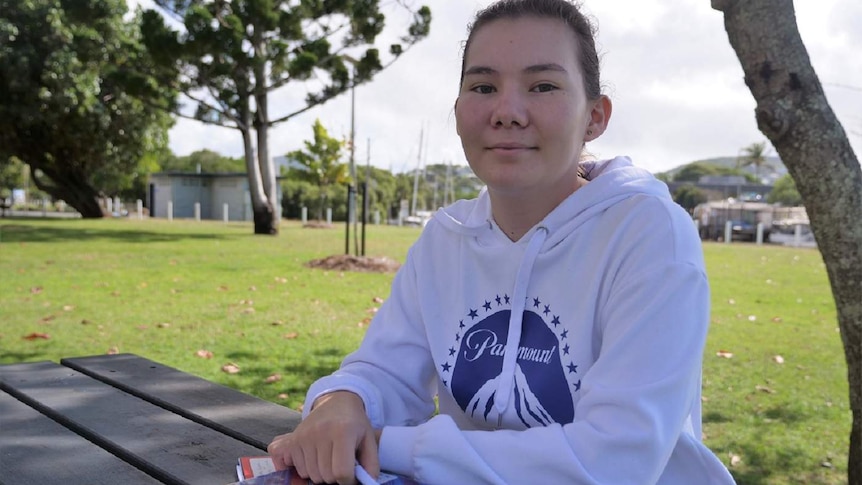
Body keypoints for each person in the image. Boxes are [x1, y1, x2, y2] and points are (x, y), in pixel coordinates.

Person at [268, 0, 737, 483]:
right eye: (484, 86)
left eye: (543, 86)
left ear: (595, 116)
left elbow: (614, 460)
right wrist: (341, 403)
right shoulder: (445, 239)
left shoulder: (648, 233)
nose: (507, 111)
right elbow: (384, 370)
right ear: (457, 111)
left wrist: (384, 444)